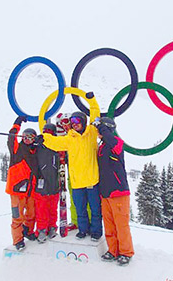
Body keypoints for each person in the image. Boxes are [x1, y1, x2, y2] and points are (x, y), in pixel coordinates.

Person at [41, 106, 102, 241]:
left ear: (83, 121)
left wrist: (92, 101)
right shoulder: (70, 138)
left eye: (77, 122)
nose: (75, 125)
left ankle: (96, 232)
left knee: (95, 209)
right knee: (80, 210)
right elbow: (55, 142)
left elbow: (95, 114)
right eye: (72, 123)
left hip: (92, 180)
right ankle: (83, 230)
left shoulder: (92, 132)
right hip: (77, 181)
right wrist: (43, 138)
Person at [94, 117, 134, 266]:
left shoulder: (116, 143)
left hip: (118, 191)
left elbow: (113, 141)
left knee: (121, 225)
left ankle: (126, 252)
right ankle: (113, 250)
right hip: (105, 192)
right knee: (109, 224)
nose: (98, 133)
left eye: (100, 130)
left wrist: (101, 127)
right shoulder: (102, 146)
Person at [5, 116, 38, 250]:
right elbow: (11, 137)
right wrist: (17, 123)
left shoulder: (35, 151)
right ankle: (17, 240)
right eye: (25, 137)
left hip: (30, 190)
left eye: (30, 137)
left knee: (31, 214)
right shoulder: (16, 150)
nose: (27, 139)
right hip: (16, 191)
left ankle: (28, 231)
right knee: (17, 216)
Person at [34, 123, 60, 243]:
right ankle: (41, 229)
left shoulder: (57, 144)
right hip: (42, 180)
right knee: (41, 207)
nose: (47, 134)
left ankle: (52, 227)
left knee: (52, 207)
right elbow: (26, 147)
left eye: (50, 132)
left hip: (54, 180)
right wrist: (36, 140)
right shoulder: (39, 145)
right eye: (45, 131)